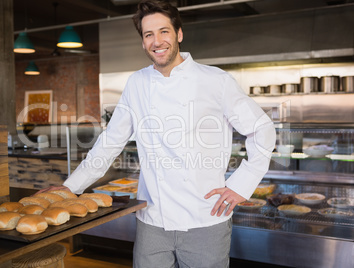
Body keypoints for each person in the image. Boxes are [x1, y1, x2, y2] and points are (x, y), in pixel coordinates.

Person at [39, 0, 276, 267]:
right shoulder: (136, 83)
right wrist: (72, 187)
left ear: (179, 34)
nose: (157, 41)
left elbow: (262, 128)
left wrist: (241, 185)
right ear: (143, 42)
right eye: (148, 34)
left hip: (205, 218)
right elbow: (111, 142)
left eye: (164, 31)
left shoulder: (216, 81)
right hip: (152, 220)